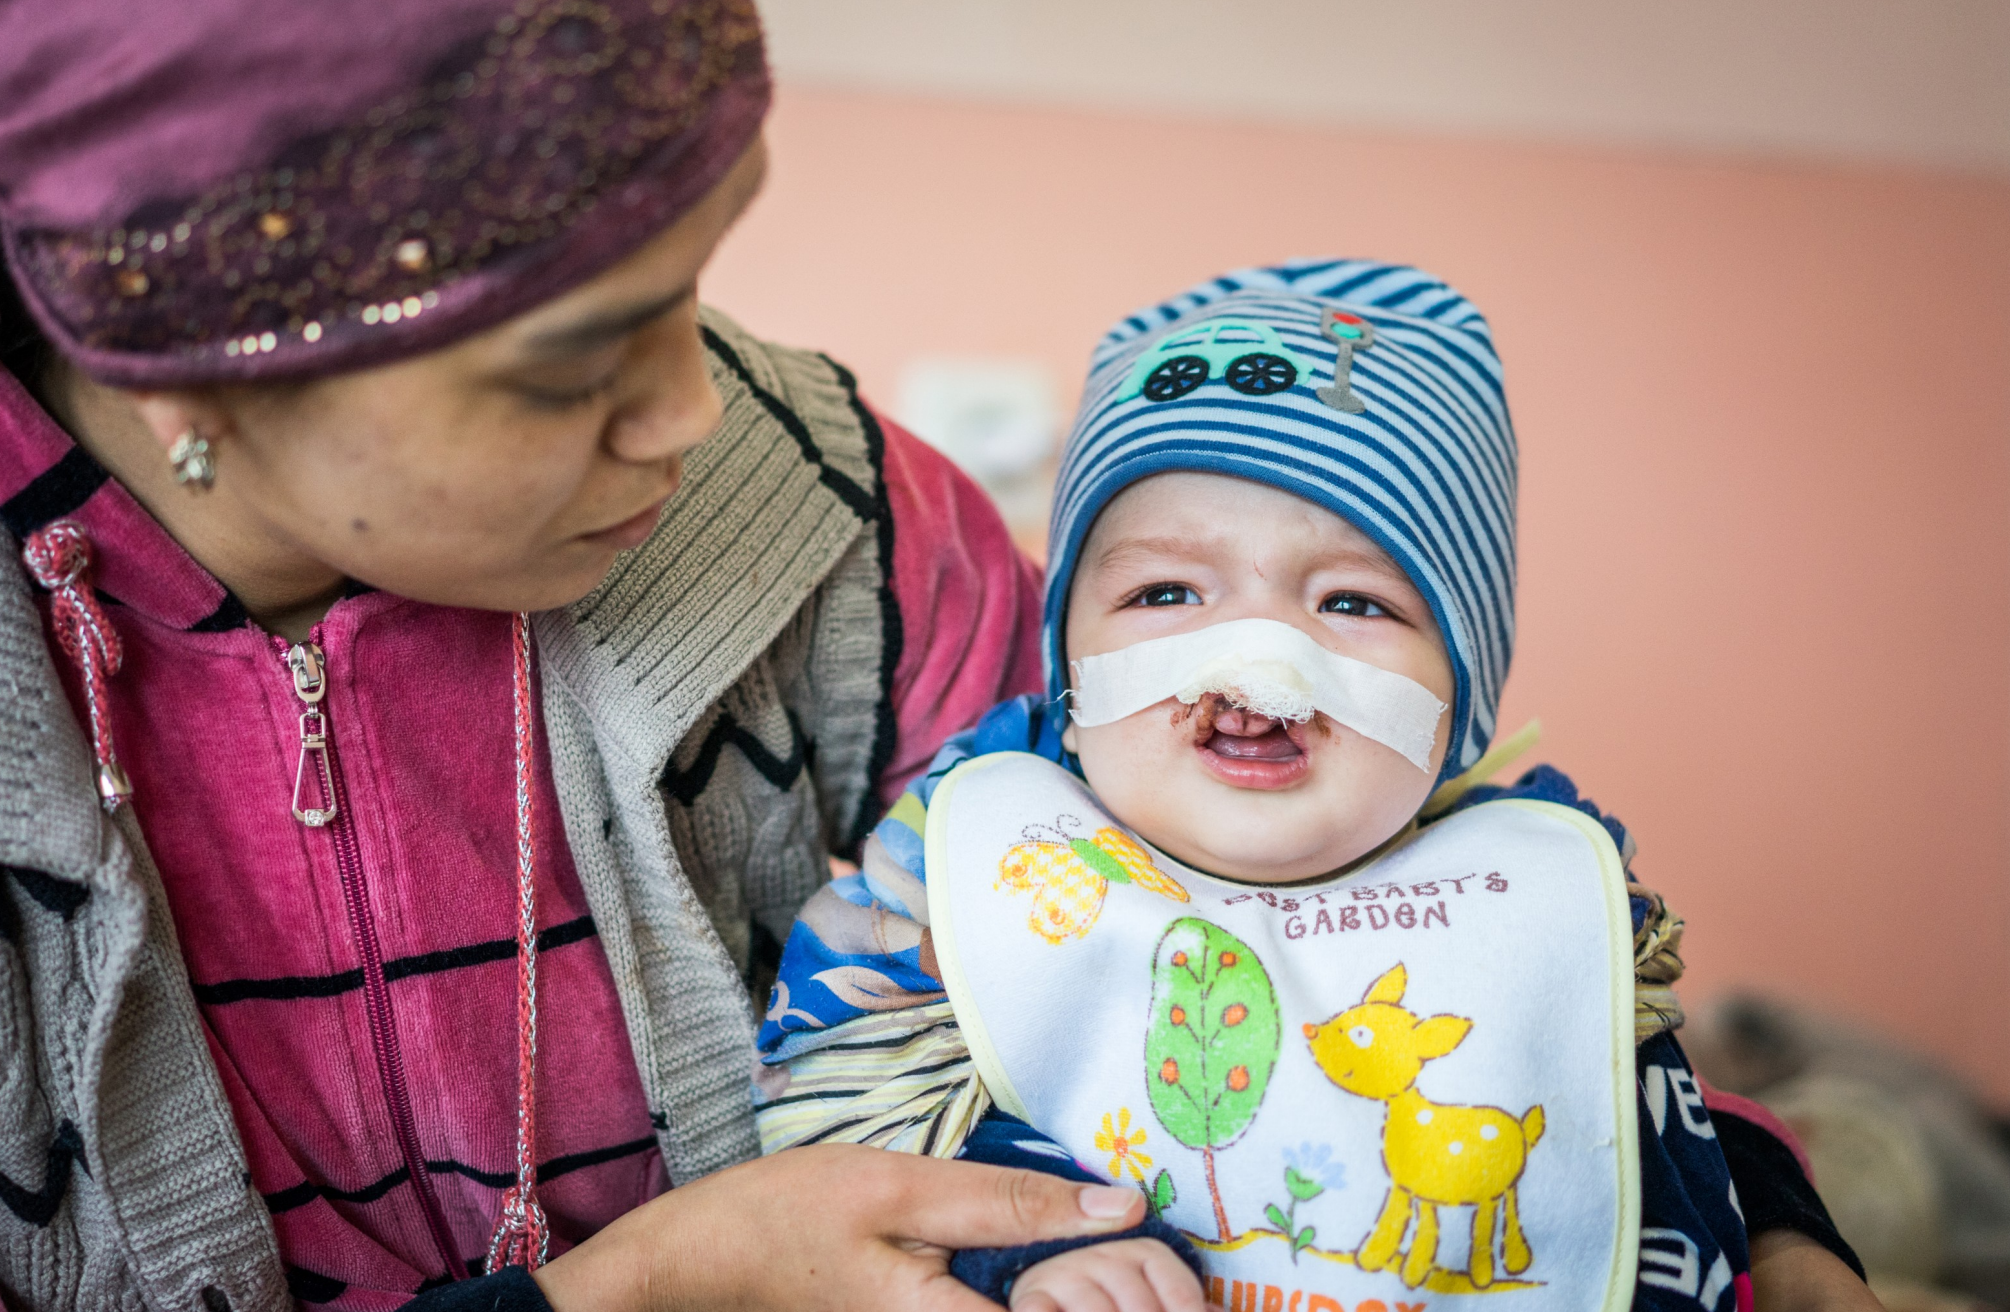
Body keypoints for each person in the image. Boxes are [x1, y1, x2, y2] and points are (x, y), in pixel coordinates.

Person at [0, 0, 1174, 1309]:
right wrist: (651, 1283)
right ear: (175, 358)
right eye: (565, 365)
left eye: (695, 280)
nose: (694, 408)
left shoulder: (831, 513)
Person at [756, 263, 1881, 1311]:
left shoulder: (1519, 887)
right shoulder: (987, 859)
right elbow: (843, 1118)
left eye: (1350, 604)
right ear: (1067, 665)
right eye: (1161, 594)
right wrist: (1037, 1242)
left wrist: (1777, 1227)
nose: (1252, 653)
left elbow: (1645, 1143)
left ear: (1455, 709)